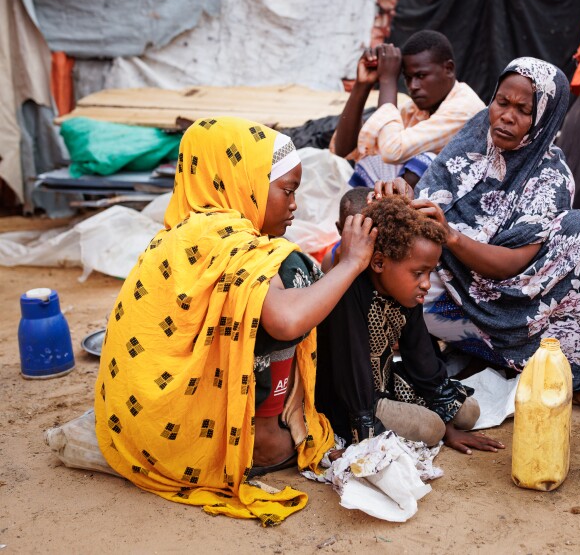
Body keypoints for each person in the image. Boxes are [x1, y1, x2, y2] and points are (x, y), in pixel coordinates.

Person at [94, 116, 376, 524]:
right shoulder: (233, 246)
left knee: (291, 274)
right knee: (295, 272)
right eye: (287, 191)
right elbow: (287, 320)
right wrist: (350, 264)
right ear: (242, 182)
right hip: (184, 445)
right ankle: (262, 439)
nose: (294, 204)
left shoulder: (181, 234)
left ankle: (260, 425)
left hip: (144, 425)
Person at [376, 58, 580, 429]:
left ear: (545, 117)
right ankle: (480, 352)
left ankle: (577, 379)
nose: (506, 117)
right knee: (399, 261)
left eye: (523, 110)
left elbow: (513, 263)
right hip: (451, 285)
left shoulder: (551, 178)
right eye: (501, 102)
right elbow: (429, 201)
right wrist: (403, 196)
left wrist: (451, 235)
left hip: (513, 292)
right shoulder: (474, 136)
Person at [315, 195, 504, 454]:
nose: (426, 283)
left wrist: (450, 426)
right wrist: (363, 440)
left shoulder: (406, 294)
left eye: (429, 272)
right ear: (379, 262)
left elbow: (421, 357)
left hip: (384, 383)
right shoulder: (350, 293)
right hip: (352, 403)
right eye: (418, 273)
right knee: (431, 429)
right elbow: (351, 379)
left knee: (468, 412)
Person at [331, 30, 484, 188]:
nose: (413, 86)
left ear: (449, 69)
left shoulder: (464, 109)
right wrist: (362, 85)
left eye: (421, 76)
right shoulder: (416, 109)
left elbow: (392, 151)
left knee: (424, 162)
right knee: (374, 159)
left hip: (461, 205)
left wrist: (388, 80)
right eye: (408, 78)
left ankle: (386, 211)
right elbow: (343, 150)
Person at [320, 186, 372, 273]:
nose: (359, 241)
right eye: (353, 233)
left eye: (367, 232)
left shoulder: (384, 259)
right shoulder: (332, 259)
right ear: (340, 230)